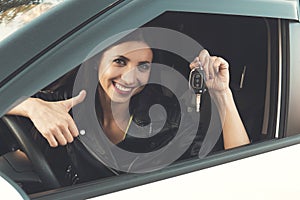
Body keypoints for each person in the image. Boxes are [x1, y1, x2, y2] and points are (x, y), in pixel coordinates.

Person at [7, 30, 249, 185]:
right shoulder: (61, 102)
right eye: (120, 61)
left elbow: (243, 171)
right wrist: (31, 107)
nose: (130, 77)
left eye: (143, 66)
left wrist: (220, 93)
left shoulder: (169, 117)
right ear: (95, 63)